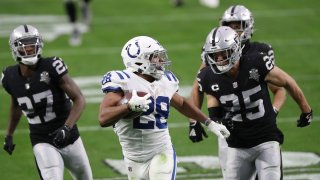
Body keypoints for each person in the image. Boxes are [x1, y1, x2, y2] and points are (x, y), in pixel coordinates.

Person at [98, 35, 230, 180]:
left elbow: (182, 104)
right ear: (139, 60)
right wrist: (129, 107)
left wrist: (208, 122)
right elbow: (103, 118)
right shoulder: (123, 81)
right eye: (155, 57)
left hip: (161, 152)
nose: (161, 60)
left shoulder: (165, 81)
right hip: (132, 158)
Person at [197, 25, 313, 180]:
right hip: (236, 144)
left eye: (223, 53)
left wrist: (306, 110)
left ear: (235, 49)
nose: (219, 59)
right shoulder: (207, 76)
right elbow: (212, 95)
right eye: (215, 54)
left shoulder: (256, 62)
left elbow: (287, 82)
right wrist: (215, 117)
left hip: (266, 140)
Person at [188, 5, 287, 179]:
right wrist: (193, 121)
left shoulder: (260, 52)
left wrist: (273, 111)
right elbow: (200, 84)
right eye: (229, 24)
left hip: (259, 130)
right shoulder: (215, 51)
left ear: (248, 26)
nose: (233, 29)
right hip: (228, 129)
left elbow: (279, 89)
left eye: (237, 25)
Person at [2, 24, 93, 180]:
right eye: (24, 46)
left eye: (32, 44)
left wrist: (67, 127)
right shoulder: (9, 77)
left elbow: (79, 99)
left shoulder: (52, 66)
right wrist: (9, 134)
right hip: (41, 140)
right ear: (14, 48)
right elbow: (16, 105)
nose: (29, 49)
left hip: (70, 137)